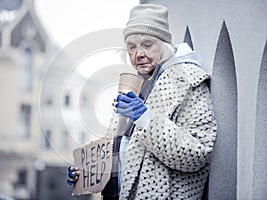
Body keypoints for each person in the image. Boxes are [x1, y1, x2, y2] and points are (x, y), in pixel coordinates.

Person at [67, 4, 217, 200]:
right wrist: (86, 171)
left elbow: (198, 154)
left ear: (164, 46)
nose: (138, 54)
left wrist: (145, 118)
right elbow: (121, 149)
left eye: (147, 44)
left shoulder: (189, 81)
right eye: (132, 47)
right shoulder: (137, 86)